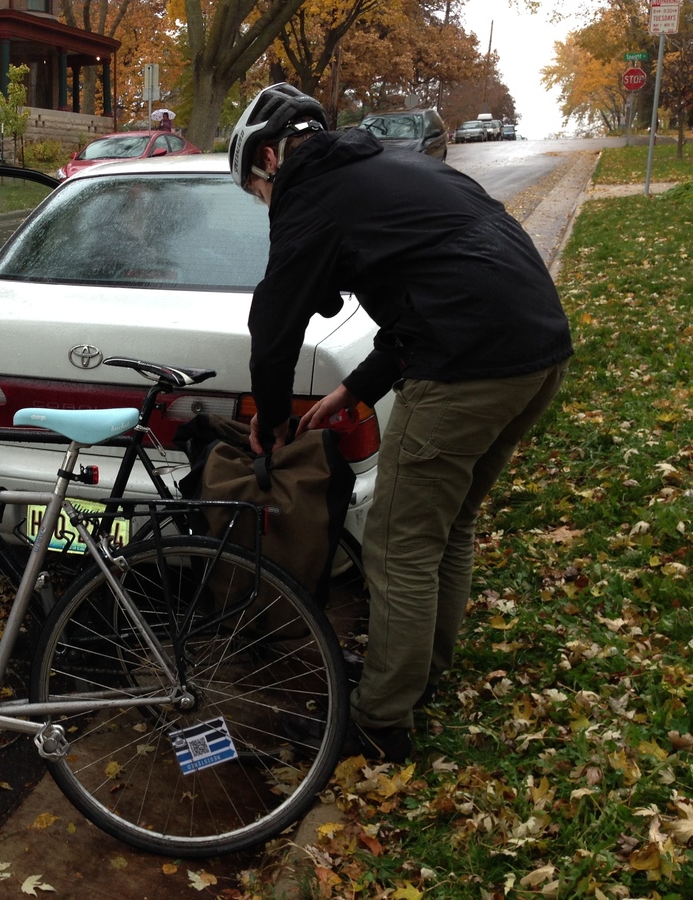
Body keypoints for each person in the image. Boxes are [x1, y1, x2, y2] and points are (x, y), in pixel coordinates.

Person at [228, 84, 572, 762]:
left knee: (396, 541)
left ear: (269, 158)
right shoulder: (391, 167)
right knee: (448, 528)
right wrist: (357, 387)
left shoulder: (310, 193)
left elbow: (273, 329)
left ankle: (379, 723)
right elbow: (438, 284)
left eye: (254, 190)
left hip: (465, 365)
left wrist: (269, 421)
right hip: (536, 352)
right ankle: (417, 676)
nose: (263, 203)